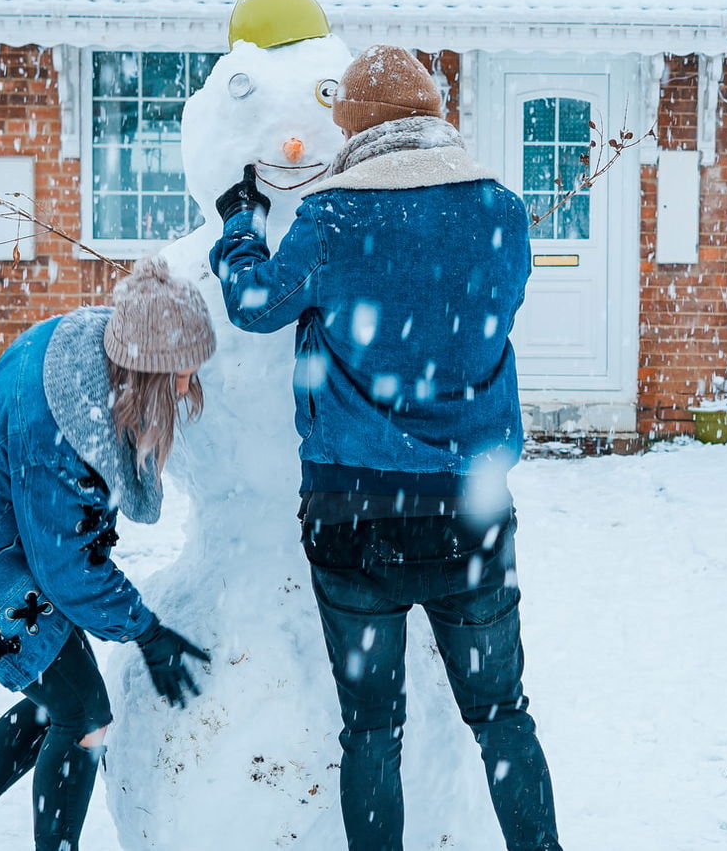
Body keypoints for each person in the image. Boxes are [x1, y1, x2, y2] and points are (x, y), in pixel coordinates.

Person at [209, 44, 561, 851]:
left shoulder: (334, 218)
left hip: (354, 516)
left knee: (371, 730)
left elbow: (256, 305)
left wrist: (239, 224)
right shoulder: (501, 212)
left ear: (357, 130)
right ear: (433, 116)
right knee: (503, 717)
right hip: (469, 518)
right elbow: (484, 311)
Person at [0, 259, 217, 851]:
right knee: (84, 714)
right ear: (146, 369)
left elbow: (67, 536)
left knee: (60, 704)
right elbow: (65, 566)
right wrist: (147, 633)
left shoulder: (98, 356)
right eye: (180, 373)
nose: (187, 386)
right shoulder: (62, 426)